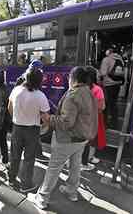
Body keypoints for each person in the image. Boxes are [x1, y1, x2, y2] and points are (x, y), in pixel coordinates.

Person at [34, 67, 98, 209]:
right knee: (75, 166)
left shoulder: (73, 95)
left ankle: (43, 198)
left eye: (69, 77)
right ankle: (71, 191)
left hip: (67, 139)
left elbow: (66, 123)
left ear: (73, 78)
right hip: (82, 138)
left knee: (54, 168)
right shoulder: (89, 92)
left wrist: (48, 118)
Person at [8, 68, 50, 193]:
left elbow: (9, 107)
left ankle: (11, 178)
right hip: (32, 130)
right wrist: (45, 127)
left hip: (17, 127)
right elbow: (45, 117)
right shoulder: (40, 95)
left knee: (14, 155)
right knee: (29, 158)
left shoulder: (16, 90)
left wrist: (16, 118)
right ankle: (26, 185)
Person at [81, 66, 106, 171]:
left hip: (81, 117)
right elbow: (102, 107)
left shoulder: (79, 87)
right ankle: (85, 161)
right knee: (90, 140)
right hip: (93, 118)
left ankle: (79, 160)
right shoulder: (97, 89)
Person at [99, 48, 125, 128]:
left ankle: (105, 123)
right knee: (114, 104)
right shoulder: (120, 59)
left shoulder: (106, 59)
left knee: (105, 105)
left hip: (108, 84)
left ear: (109, 52)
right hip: (117, 84)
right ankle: (114, 123)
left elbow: (103, 73)